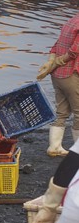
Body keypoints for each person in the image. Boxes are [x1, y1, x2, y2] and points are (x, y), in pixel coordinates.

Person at [36, 13, 79, 157]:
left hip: (58, 75)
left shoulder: (71, 21)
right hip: (71, 74)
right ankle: (77, 153)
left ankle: (54, 147)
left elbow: (56, 46)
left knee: (62, 112)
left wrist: (51, 63)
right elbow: (74, 51)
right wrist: (60, 61)